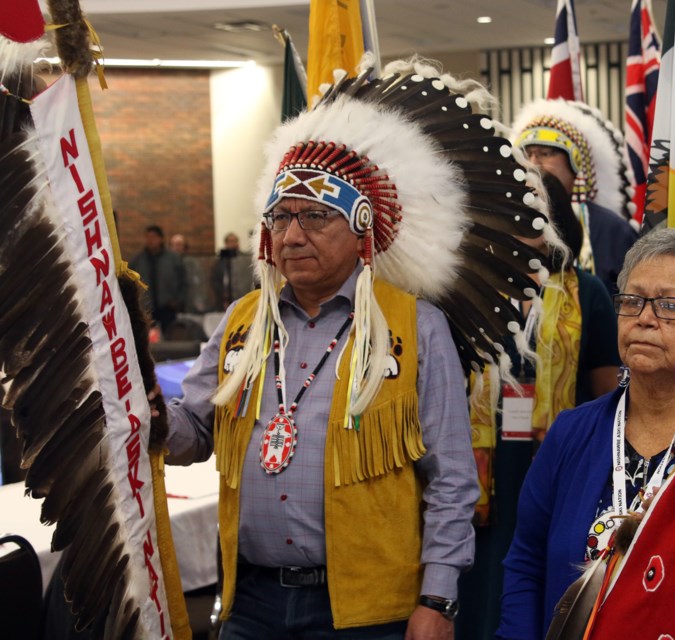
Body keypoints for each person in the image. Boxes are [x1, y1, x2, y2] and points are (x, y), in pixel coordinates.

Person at [162, 58, 554, 639]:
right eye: (281, 217)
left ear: (363, 228)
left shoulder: (416, 328)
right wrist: (141, 406)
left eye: (316, 217)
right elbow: (192, 432)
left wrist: (438, 600)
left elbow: (451, 479)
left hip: (369, 614)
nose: (291, 235)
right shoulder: (243, 321)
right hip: (251, 603)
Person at [498, 227, 675, 638]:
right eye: (632, 301)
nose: (644, 318)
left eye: (668, 305)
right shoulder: (572, 434)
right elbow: (527, 562)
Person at [457, 173, 620, 640]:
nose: (517, 214)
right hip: (484, 474)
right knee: (485, 592)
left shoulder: (585, 292)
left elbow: (609, 394)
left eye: (530, 204)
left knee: (545, 581)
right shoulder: (464, 291)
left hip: (560, 463)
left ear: (554, 219)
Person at [513, 99, 638, 295]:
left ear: (574, 161)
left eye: (544, 153)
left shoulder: (611, 230)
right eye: (526, 155)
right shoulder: (509, 221)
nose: (533, 163)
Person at [129, 225, 187, 333]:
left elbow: (184, 281)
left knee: (170, 334)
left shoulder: (173, 259)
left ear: (161, 239)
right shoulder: (137, 260)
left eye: (153, 237)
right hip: (147, 308)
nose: (150, 240)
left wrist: (178, 300)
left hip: (168, 306)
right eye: (148, 237)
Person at [212, 231, 255, 310]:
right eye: (231, 241)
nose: (233, 243)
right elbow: (215, 280)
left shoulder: (244, 259)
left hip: (242, 296)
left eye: (235, 241)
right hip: (224, 299)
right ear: (226, 243)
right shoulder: (220, 261)